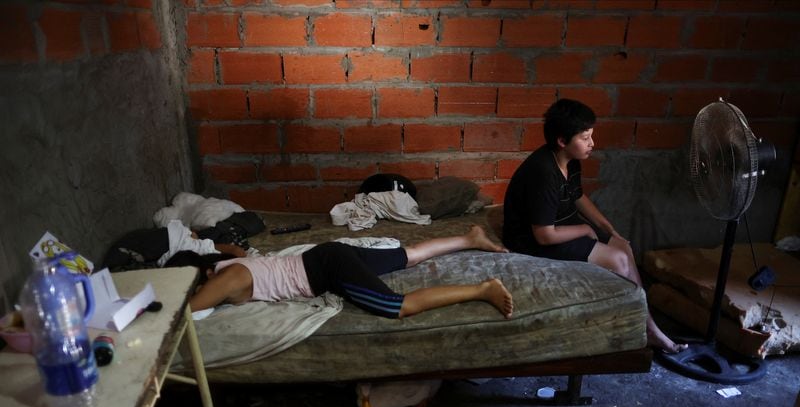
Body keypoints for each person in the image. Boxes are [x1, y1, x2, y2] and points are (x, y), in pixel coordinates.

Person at [502, 98, 686, 353]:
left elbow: (578, 197)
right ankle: (639, 329)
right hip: (531, 239)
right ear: (562, 141)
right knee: (618, 260)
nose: (592, 144)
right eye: (585, 137)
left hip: (560, 224)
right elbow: (543, 235)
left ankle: (648, 327)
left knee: (624, 248)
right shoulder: (543, 172)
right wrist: (587, 231)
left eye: (592, 136)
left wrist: (609, 229)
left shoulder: (570, 159)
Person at [166, 226, 514, 320]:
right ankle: (469, 238)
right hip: (326, 256)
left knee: (399, 307)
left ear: (199, 277)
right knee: (406, 257)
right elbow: (236, 250)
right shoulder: (229, 263)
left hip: (327, 270)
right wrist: (203, 243)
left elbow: (187, 310)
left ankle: (483, 289)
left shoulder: (225, 279)